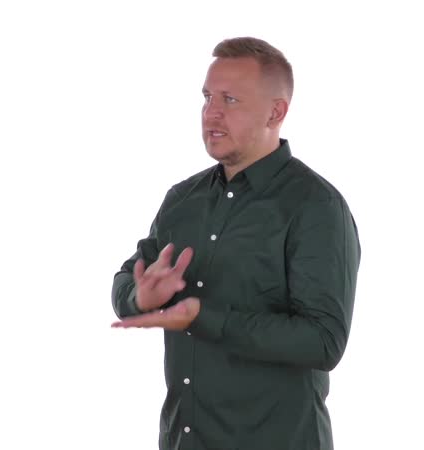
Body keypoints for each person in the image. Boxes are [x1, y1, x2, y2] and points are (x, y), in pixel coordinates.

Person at [110, 36, 361, 450]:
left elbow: (323, 340)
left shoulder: (316, 206)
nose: (211, 113)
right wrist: (141, 296)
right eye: (207, 97)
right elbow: (126, 281)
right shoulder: (182, 200)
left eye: (230, 99)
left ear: (276, 112)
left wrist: (202, 317)